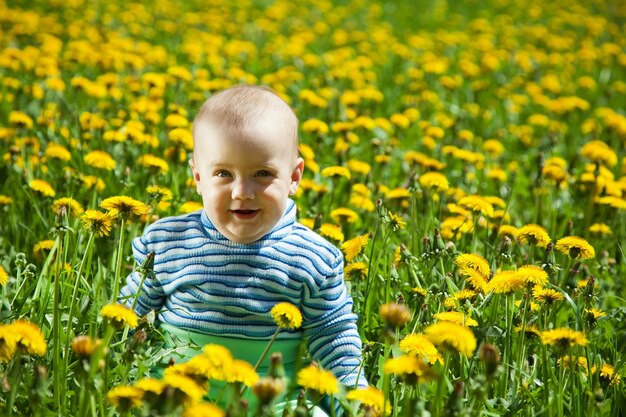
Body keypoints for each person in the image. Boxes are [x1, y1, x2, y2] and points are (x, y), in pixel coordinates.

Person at [119, 85, 367, 415]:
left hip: (275, 402)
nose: (242, 192)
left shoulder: (313, 258)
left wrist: (355, 402)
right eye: (223, 173)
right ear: (197, 177)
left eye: (262, 174)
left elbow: (334, 338)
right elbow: (127, 312)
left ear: (294, 177)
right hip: (176, 393)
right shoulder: (168, 241)